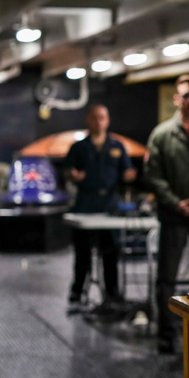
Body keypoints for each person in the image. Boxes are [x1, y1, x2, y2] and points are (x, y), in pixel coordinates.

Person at [145, 74, 189, 354]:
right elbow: (153, 175)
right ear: (177, 99)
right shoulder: (162, 135)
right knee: (167, 278)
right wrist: (176, 203)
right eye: (185, 95)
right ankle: (166, 334)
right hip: (174, 215)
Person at [65, 104, 137, 312]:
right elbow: (67, 170)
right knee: (83, 253)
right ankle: (77, 291)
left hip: (109, 204)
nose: (99, 122)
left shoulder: (117, 146)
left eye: (102, 118)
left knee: (111, 251)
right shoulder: (79, 147)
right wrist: (73, 175)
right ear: (88, 120)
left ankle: (112, 292)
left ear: (108, 120)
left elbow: (127, 171)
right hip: (86, 202)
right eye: (95, 118)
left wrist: (129, 175)